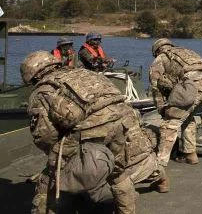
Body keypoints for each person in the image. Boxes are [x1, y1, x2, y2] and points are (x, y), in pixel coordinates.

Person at [22, 50, 166, 214]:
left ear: (33, 76)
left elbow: (45, 136)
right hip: (122, 121)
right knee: (118, 173)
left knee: (51, 176)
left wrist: (59, 154)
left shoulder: (42, 91)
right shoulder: (85, 73)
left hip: (91, 127)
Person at [149, 38, 202, 169]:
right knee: (187, 118)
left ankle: (158, 166)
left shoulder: (160, 59)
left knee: (170, 124)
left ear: (157, 51)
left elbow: (155, 87)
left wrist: (162, 108)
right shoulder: (185, 51)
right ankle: (190, 154)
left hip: (191, 86)